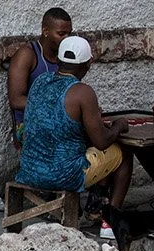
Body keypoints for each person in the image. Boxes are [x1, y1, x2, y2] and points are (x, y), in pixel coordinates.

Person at [18, 34, 133, 219]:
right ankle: (111, 220)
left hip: (29, 169)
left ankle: (95, 208)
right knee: (124, 151)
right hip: (65, 175)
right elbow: (102, 141)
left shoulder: (40, 82)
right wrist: (119, 126)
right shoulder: (82, 92)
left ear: (60, 60)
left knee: (86, 148)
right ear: (88, 64)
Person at [8, 8, 72, 146]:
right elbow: (16, 100)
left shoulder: (66, 55)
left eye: (69, 34)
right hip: (28, 125)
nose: (66, 39)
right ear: (46, 31)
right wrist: (58, 106)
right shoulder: (27, 55)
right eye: (61, 34)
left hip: (59, 120)